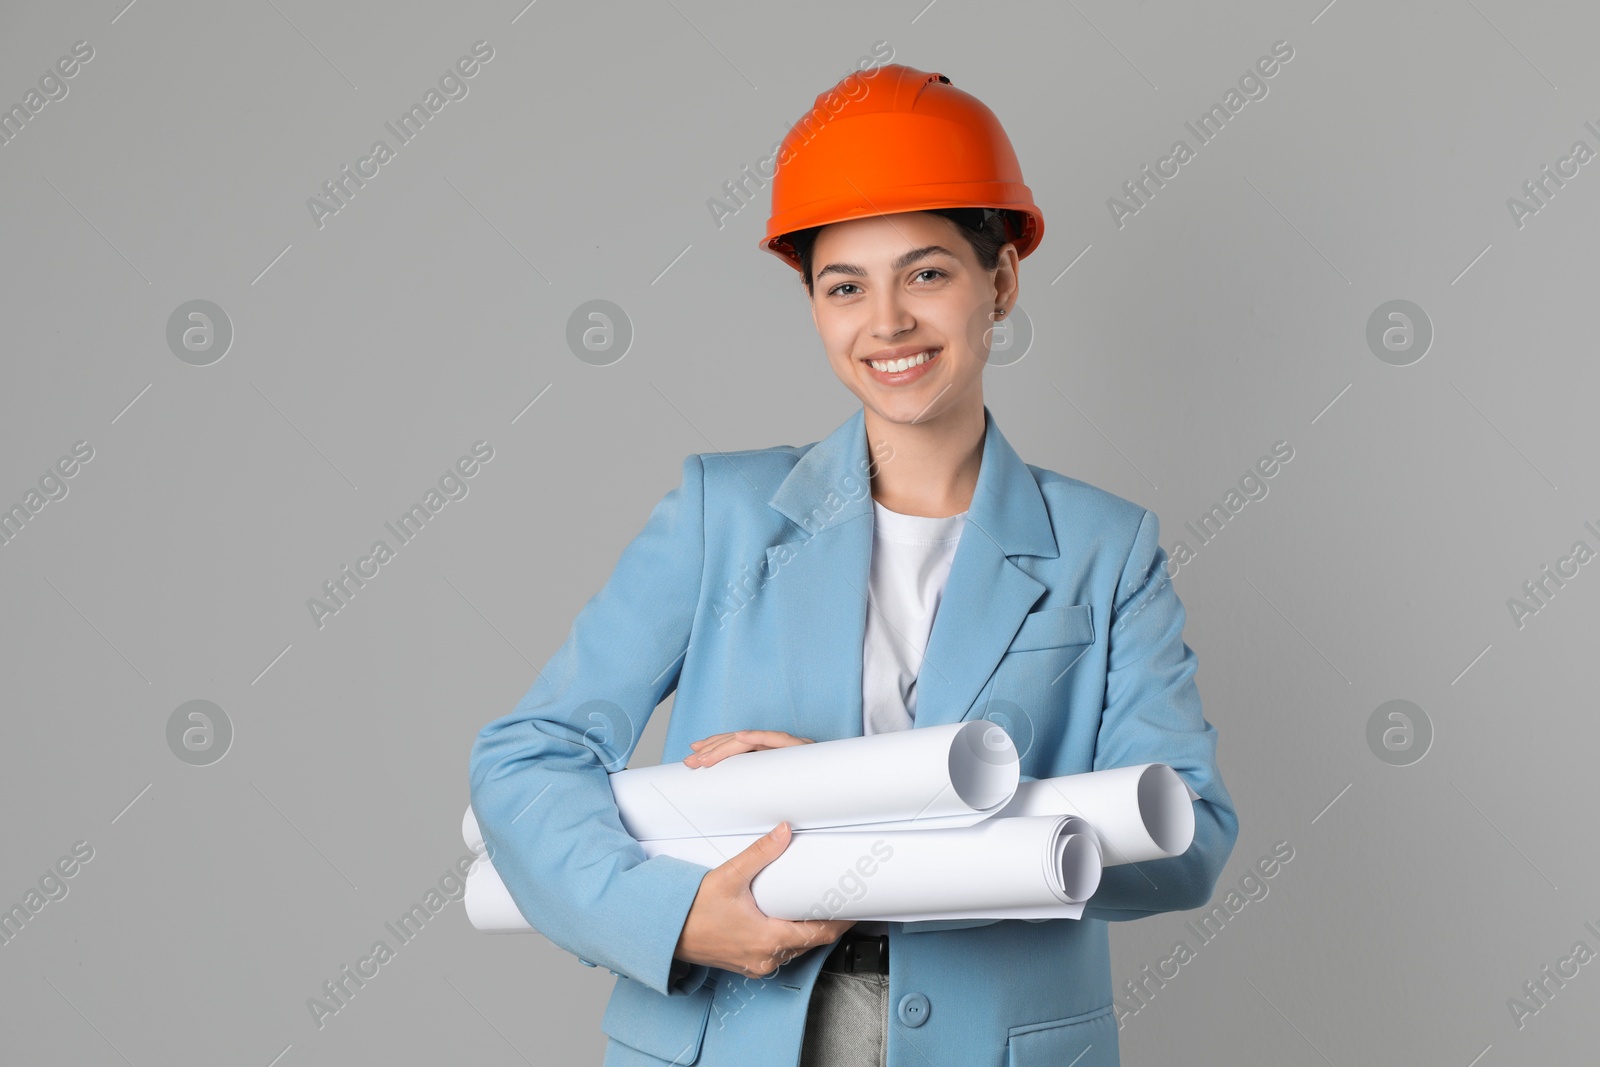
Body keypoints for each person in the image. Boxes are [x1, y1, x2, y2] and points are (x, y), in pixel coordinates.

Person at [469, 63, 1239, 1067]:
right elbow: (526, 756)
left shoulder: (1105, 546)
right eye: (845, 286)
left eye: (926, 273)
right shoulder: (725, 515)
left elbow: (1190, 832)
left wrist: (871, 806)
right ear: (814, 303)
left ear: (998, 280)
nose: (886, 324)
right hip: (728, 1024)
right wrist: (675, 913)